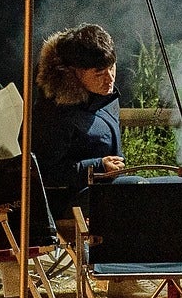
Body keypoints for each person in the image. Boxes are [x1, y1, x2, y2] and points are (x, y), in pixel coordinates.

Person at [29, 22, 125, 210]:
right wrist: (97, 167)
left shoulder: (102, 95)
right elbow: (41, 171)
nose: (110, 79)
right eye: (99, 74)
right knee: (144, 194)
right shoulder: (54, 111)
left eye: (112, 68)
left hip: (101, 188)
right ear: (75, 72)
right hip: (68, 200)